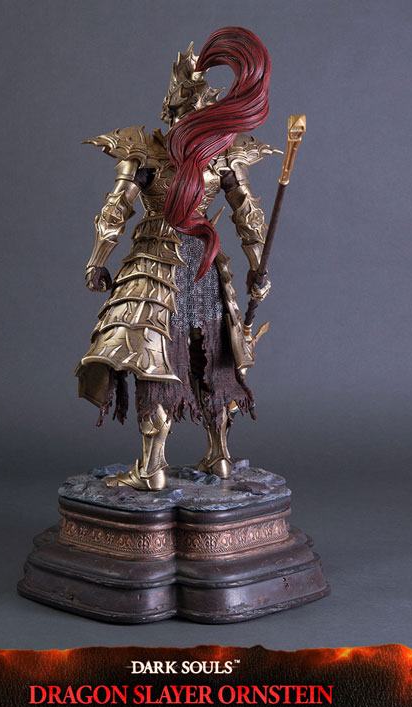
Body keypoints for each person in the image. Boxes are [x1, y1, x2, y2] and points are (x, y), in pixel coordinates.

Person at [76, 27, 276, 490]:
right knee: (212, 351)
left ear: (171, 105)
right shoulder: (221, 156)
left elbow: (115, 211)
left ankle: (152, 468)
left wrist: (96, 261)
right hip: (206, 264)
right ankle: (219, 456)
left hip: (155, 265)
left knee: (155, 355)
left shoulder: (144, 151)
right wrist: (256, 269)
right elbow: (248, 216)